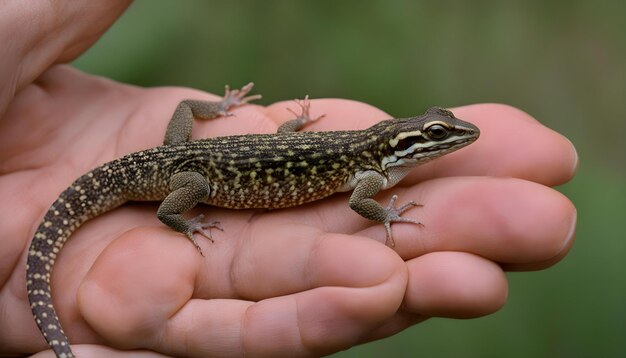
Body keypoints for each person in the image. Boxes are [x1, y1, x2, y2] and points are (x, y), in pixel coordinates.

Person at [0, 1, 578, 357]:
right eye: (433, 135)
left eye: (438, 133)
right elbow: (358, 206)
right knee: (190, 182)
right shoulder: (370, 176)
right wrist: (390, 215)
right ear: (402, 144)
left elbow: (289, 148)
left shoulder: (368, 158)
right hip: (178, 176)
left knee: (188, 154)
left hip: (174, 157)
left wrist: (285, 124)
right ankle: (171, 213)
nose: (447, 140)